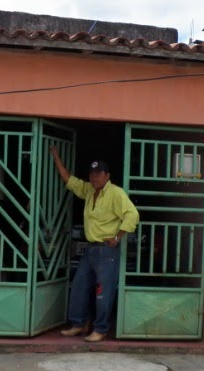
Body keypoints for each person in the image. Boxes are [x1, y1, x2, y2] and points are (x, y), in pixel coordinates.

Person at [50, 146, 139, 342]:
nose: (94, 177)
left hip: (107, 251)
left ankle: (101, 328)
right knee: (79, 287)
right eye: (91, 174)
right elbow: (69, 180)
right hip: (90, 250)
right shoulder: (90, 191)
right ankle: (78, 324)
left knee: (103, 293)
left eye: (98, 174)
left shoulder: (116, 193)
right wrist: (56, 156)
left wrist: (117, 238)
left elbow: (132, 215)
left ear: (107, 175)